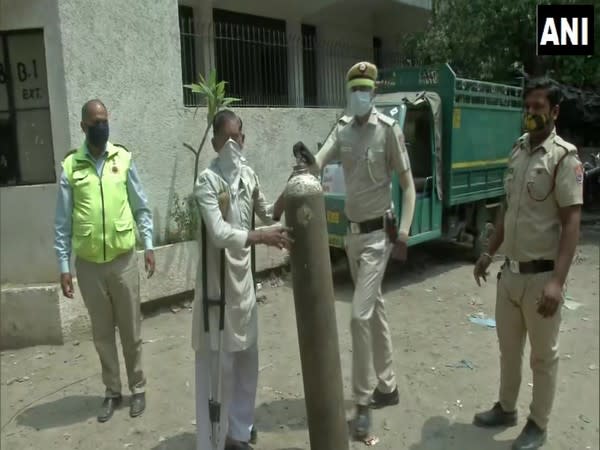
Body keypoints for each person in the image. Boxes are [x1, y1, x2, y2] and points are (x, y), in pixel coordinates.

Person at [302, 61, 417, 440]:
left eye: (366, 88)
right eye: (355, 89)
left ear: (374, 90)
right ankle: (389, 385)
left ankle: (363, 403)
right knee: (375, 309)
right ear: (349, 93)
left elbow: (408, 183)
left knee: (358, 315)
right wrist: (307, 162)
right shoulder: (343, 131)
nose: (361, 95)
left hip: (377, 239)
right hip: (352, 238)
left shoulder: (388, 131)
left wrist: (402, 232)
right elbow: (318, 163)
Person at [473, 78, 583, 450]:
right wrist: (489, 251)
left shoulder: (564, 158)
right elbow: (507, 208)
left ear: (554, 112)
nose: (531, 113)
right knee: (508, 349)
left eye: (539, 107)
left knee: (542, 357)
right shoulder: (518, 151)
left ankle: (538, 423)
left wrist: (558, 282)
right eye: (529, 107)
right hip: (511, 275)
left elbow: (571, 223)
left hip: (542, 279)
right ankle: (506, 408)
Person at [193, 109, 290, 450]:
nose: (235, 144)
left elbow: (269, 214)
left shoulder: (249, 176)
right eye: (229, 138)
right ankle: (213, 440)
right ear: (216, 141)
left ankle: (239, 432)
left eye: (240, 137)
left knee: (248, 362)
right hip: (217, 290)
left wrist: (292, 188)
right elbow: (219, 233)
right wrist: (261, 237)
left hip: (244, 287)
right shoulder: (207, 181)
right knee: (220, 369)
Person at [54, 99, 155, 422]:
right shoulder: (71, 166)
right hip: (89, 266)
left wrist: (149, 244)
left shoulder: (122, 158)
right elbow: (62, 222)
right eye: (95, 122)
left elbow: (141, 206)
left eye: (105, 120)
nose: (102, 126)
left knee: (131, 329)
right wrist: (64, 266)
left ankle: (138, 388)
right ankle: (112, 391)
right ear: (83, 127)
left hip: (123, 260)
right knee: (101, 334)